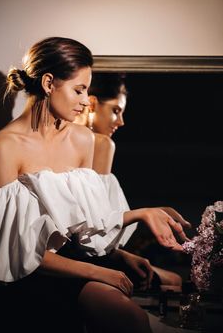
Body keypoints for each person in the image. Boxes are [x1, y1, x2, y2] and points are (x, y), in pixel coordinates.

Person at [0, 37, 190, 333]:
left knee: (139, 315)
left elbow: (86, 227)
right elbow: (17, 252)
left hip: (80, 264)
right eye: (79, 90)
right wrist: (99, 272)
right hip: (33, 276)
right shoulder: (4, 147)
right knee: (127, 318)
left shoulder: (83, 140)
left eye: (87, 90)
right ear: (48, 83)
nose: (86, 101)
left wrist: (121, 251)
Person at [75, 72, 189, 290]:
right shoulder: (102, 144)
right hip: (88, 258)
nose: (121, 121)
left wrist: (122, 254)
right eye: (115, 111)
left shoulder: (62, 140)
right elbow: (97, 226)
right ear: (92, 103)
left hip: (88, 253)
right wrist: (144, 214)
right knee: (175, 282)